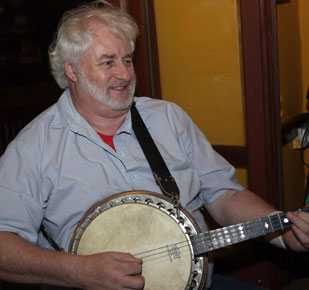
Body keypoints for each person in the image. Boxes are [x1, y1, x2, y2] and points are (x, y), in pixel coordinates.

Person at [0, 1, 308, 290]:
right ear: (71, 70)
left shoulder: (167, 118)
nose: (123, 74)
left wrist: (284, 234)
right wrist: (78, 271)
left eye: (127, 59)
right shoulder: (33, 148)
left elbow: (223, 194)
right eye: (107, 62)